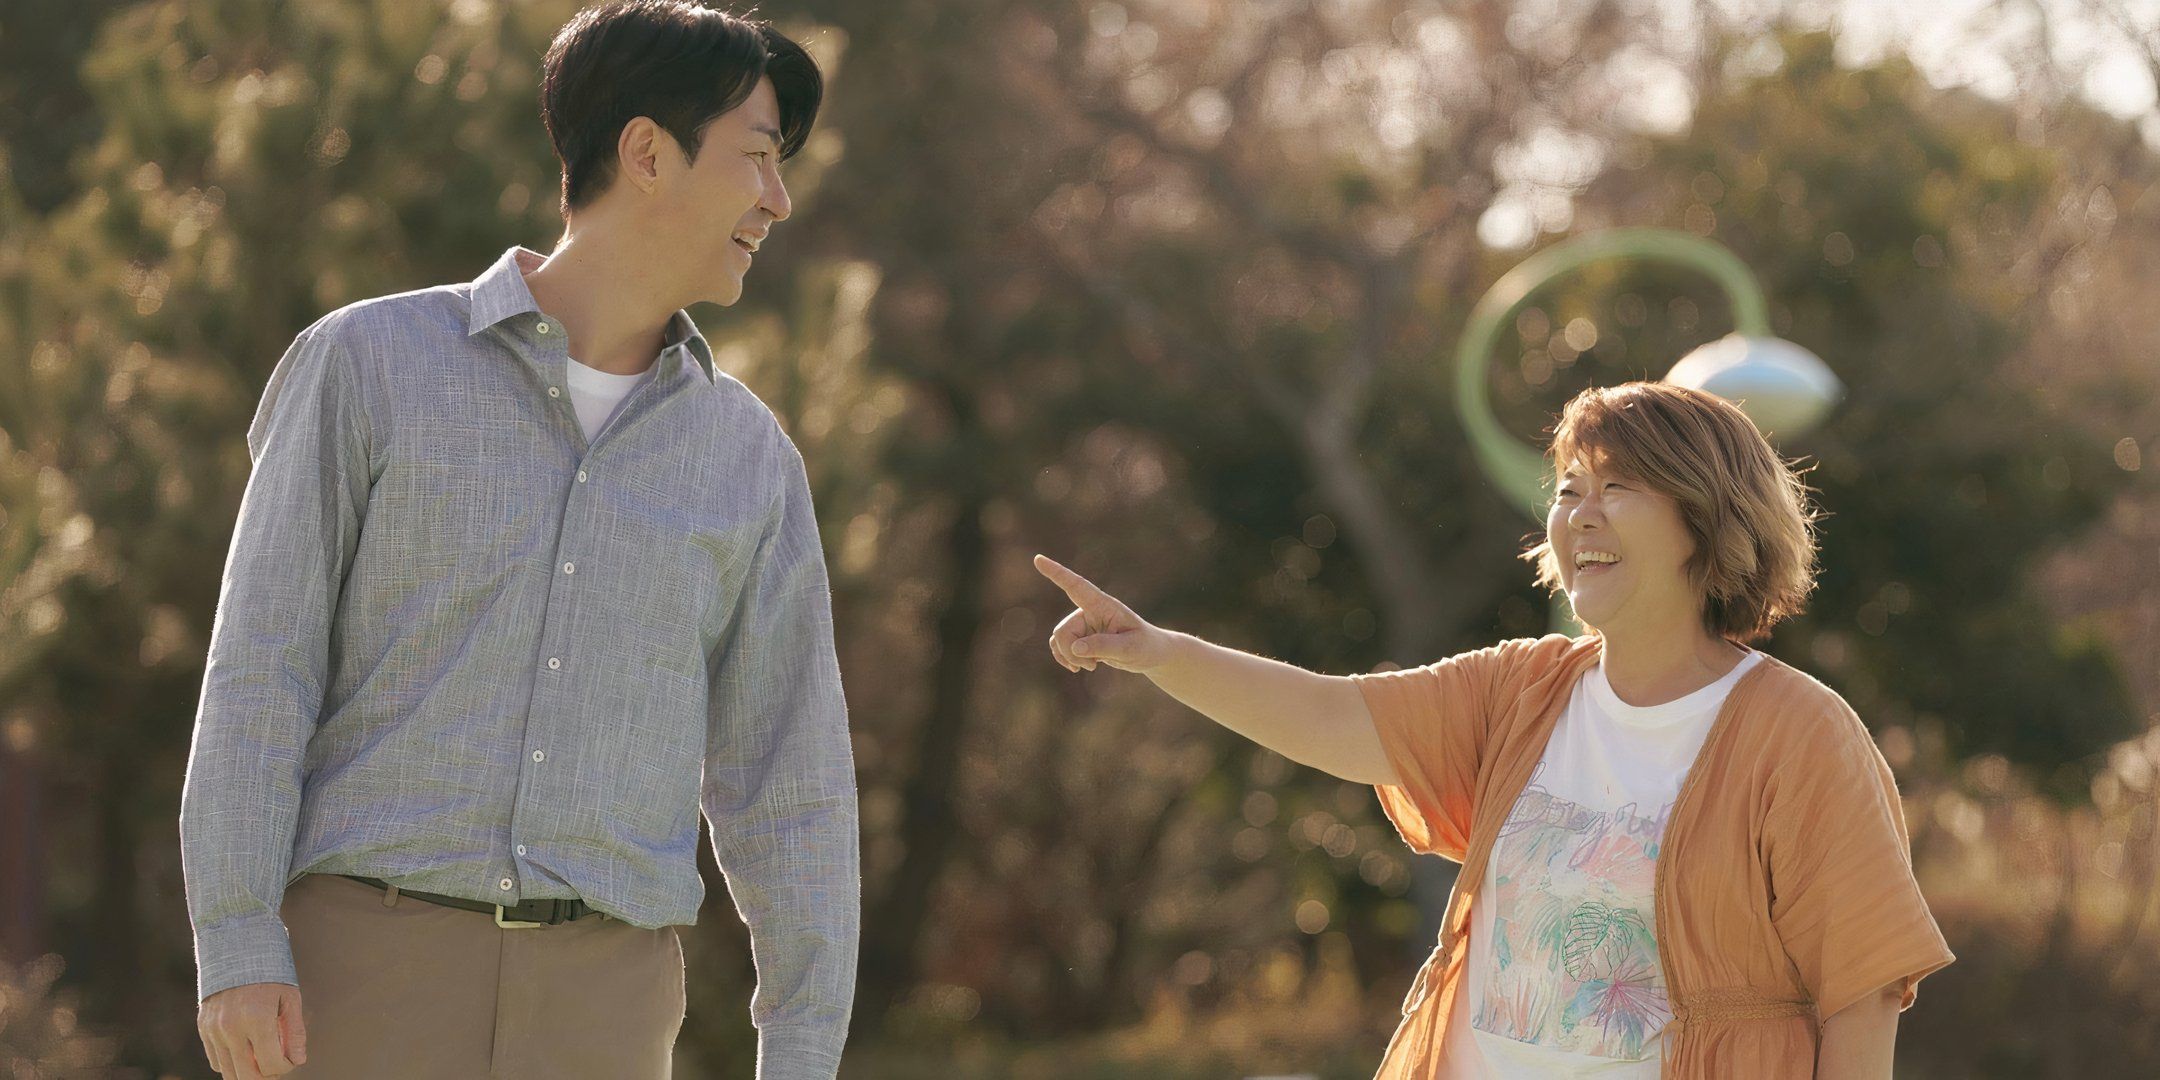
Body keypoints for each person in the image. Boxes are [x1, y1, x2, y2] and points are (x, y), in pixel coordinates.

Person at [181, 4, 858, 1078]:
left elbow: (790, 777)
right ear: (645, 152)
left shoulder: (750, 459)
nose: (777, 201)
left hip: (609, 1007)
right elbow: (260, 669)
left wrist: (806, 1045)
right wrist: (236, 938)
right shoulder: (368, 365)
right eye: (760, 160)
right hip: (356, 979)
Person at [1033, 380, 1954, 1079]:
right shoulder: (1522, 690)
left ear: (1705, 519)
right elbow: (1332, 714)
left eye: (1619, 486)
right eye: (1567, 488)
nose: (1578, 514)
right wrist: (1158, 652)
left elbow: (1862, 997)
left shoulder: (1800, 735)